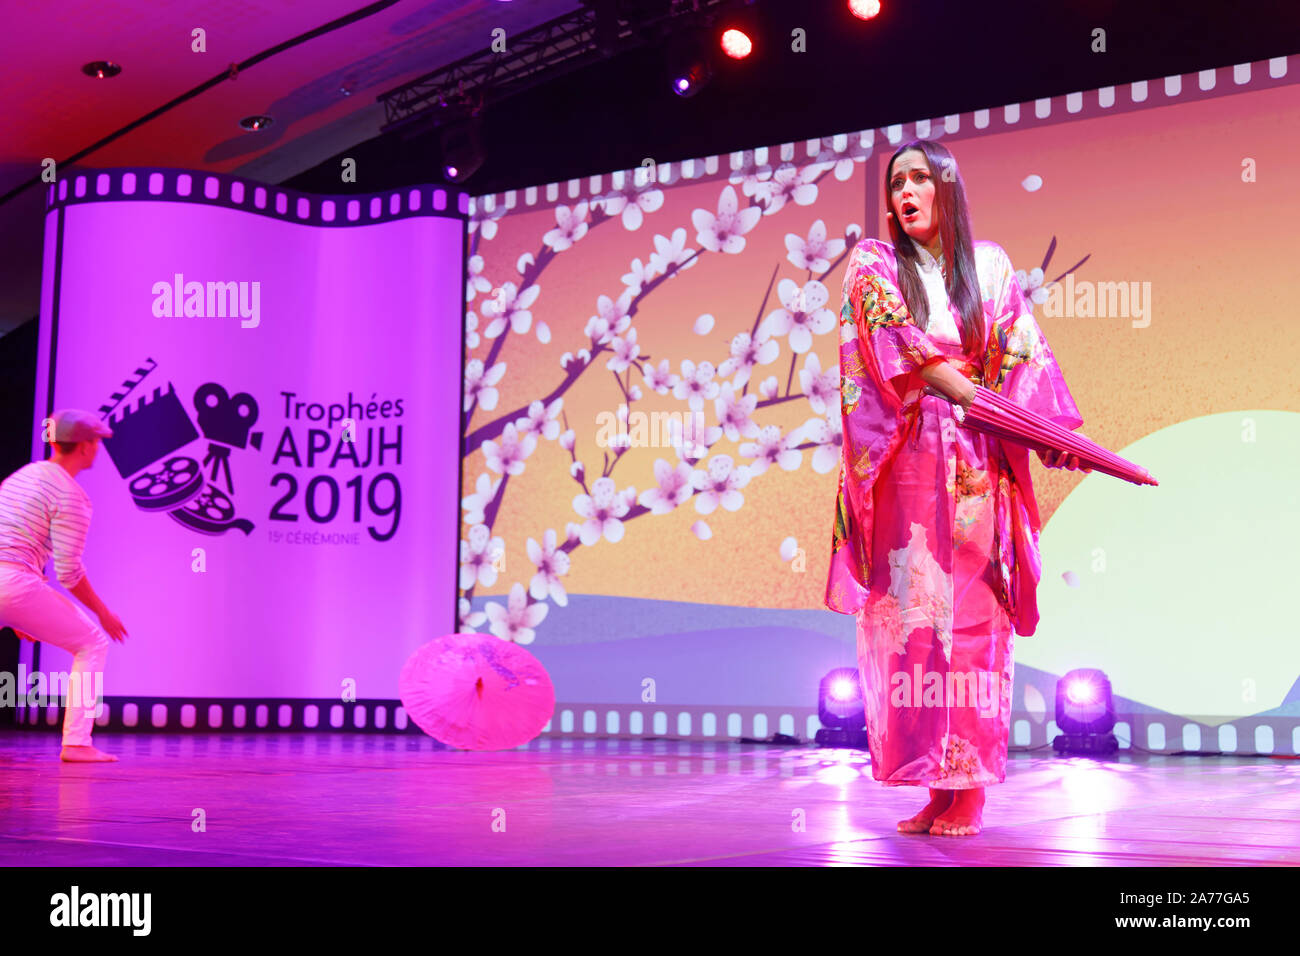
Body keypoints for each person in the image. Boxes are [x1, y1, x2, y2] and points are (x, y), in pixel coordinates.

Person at [824, 139, 1090, 836]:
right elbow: (897, 347)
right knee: (916, 623)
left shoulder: (990, 267)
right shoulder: (874, 265)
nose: (905, 192)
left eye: (918, 178)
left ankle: (968, 783)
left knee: (971, 619)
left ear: (947, 188)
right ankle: (931, 780)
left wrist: (1050, 435)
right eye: (895, 183)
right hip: (907, 460)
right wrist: (955, 385)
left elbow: (1023, 362)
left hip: (976, 460)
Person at [0, 409, 128, 762]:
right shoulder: (72, 496)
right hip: (14, 582)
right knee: (93, 642)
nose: (97, 449)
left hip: (13, 583)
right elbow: (69, 572)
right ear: (85, 447)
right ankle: (76, 744)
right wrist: (104, 612)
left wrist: (19, 613)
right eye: (97, 442)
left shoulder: (21, 476)